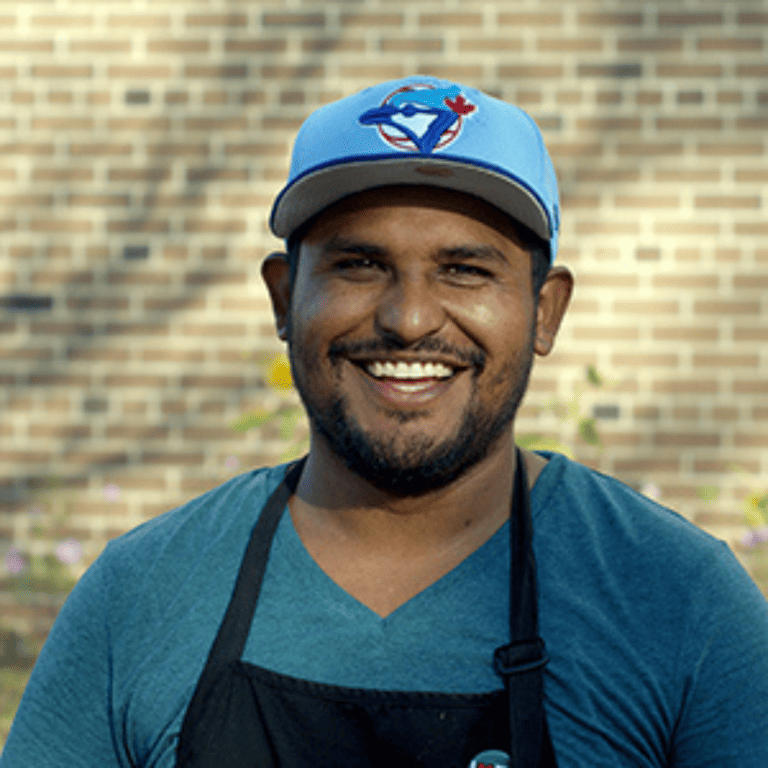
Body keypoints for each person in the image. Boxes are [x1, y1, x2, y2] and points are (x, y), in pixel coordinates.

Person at [2, 76, 768, 768]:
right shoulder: (141, 595)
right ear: (282, 298)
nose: (408, 320)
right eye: (358, 265)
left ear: (545, 311)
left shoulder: (677, 602)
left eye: (465, 269)